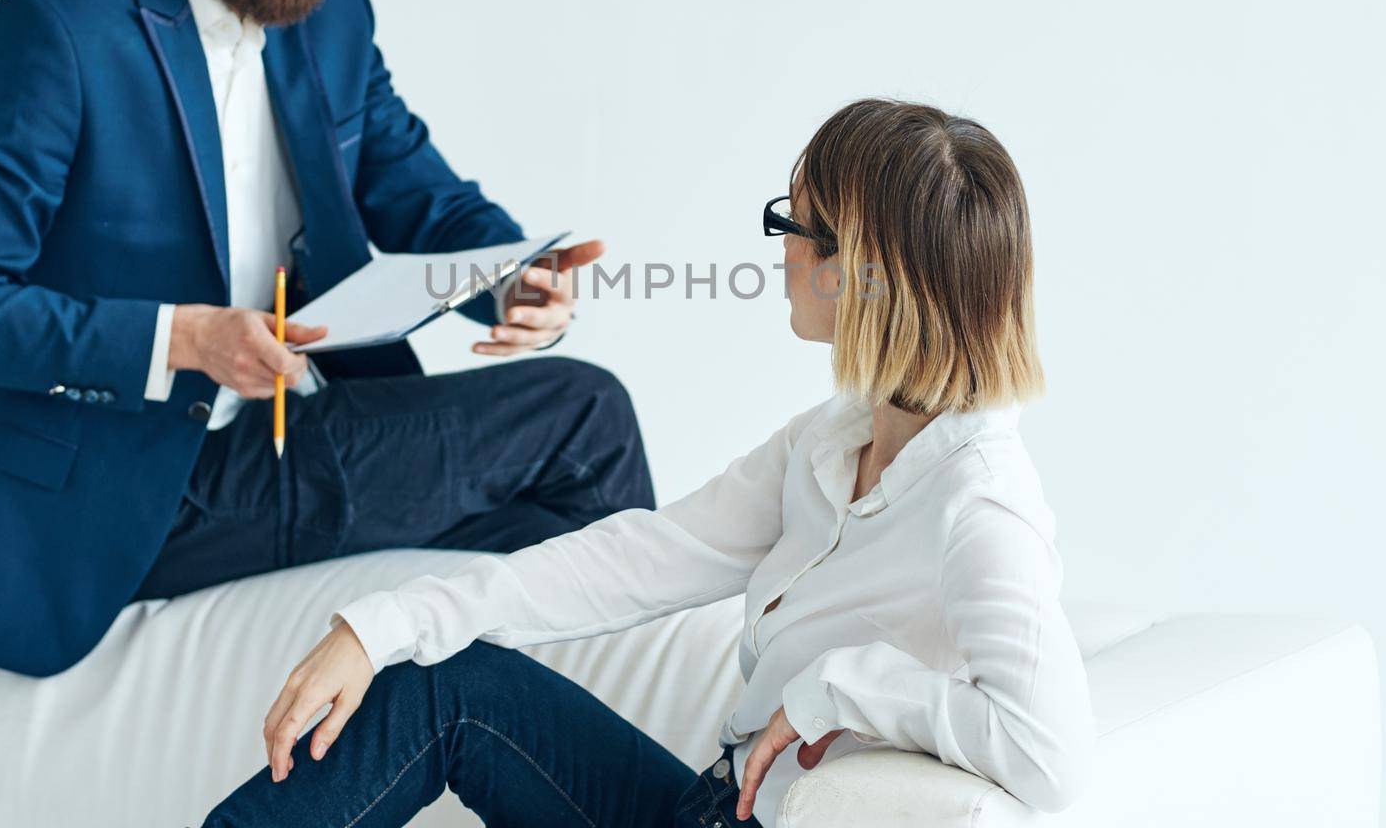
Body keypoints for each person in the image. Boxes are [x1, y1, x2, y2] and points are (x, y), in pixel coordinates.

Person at [0, 0, 653, 679]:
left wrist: (507, 274)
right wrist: (184, 339)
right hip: (132, 492)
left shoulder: (324, 4)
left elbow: (412, 186)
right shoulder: (53, 38)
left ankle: (560, 755)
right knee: (585, 420)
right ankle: (650, 748)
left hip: (293, 431)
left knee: (557, 515)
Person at [201, 100, 1096, 828]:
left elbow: (1049, 755)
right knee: (444, 685)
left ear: (860, 269)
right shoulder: (834, 440)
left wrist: (840, 690)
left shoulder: (980, 505)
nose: (780, 248)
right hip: (706, 806)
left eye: (793, 222)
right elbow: (633, 559)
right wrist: (380, 626)